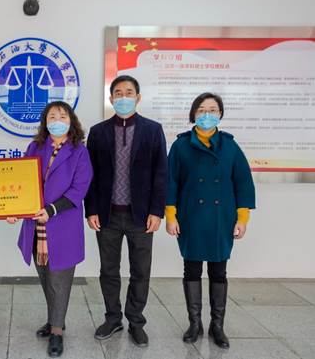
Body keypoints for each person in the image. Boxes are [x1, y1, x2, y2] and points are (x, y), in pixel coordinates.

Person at [165, 92, 255, 349]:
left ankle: (217, 326)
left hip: (221, 217)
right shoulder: (181, 146)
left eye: (213, 110)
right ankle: (194, 324)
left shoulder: (230, 146)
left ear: (220, 114)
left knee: (219, 271)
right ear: (193, 114)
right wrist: (170, 216)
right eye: (202, 110)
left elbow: (243, 183)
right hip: (191, 216)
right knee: (191, 269)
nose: (207, 114)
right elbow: (170, 183)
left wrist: (242, 218)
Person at [84, 75, 167, 347]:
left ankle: (136, 321)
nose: (123, 97)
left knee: (140, 271)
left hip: (140, 216)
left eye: (129, 92)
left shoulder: (153, 130)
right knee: (108, 270)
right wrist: (91, 209)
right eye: (118, 93)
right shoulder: (98, 132)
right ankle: (112, 318)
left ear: (138, 97)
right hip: (107, 215)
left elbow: (161, 174)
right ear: (111, 99)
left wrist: (157, 211)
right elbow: (90, 175)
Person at [7, 101, 92, 358]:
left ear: (71, 120)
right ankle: (55, 318)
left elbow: (79, 188)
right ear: (45, 121)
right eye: (52, 116)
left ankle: (56, 331)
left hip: (62, 223)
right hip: (35, 225)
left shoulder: (79, 151)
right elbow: (21, 182)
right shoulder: (35, 147)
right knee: (45, 276)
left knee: (59, 279)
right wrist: (14, 208)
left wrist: (52, 209)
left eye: (62, 116)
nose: (57, 120)